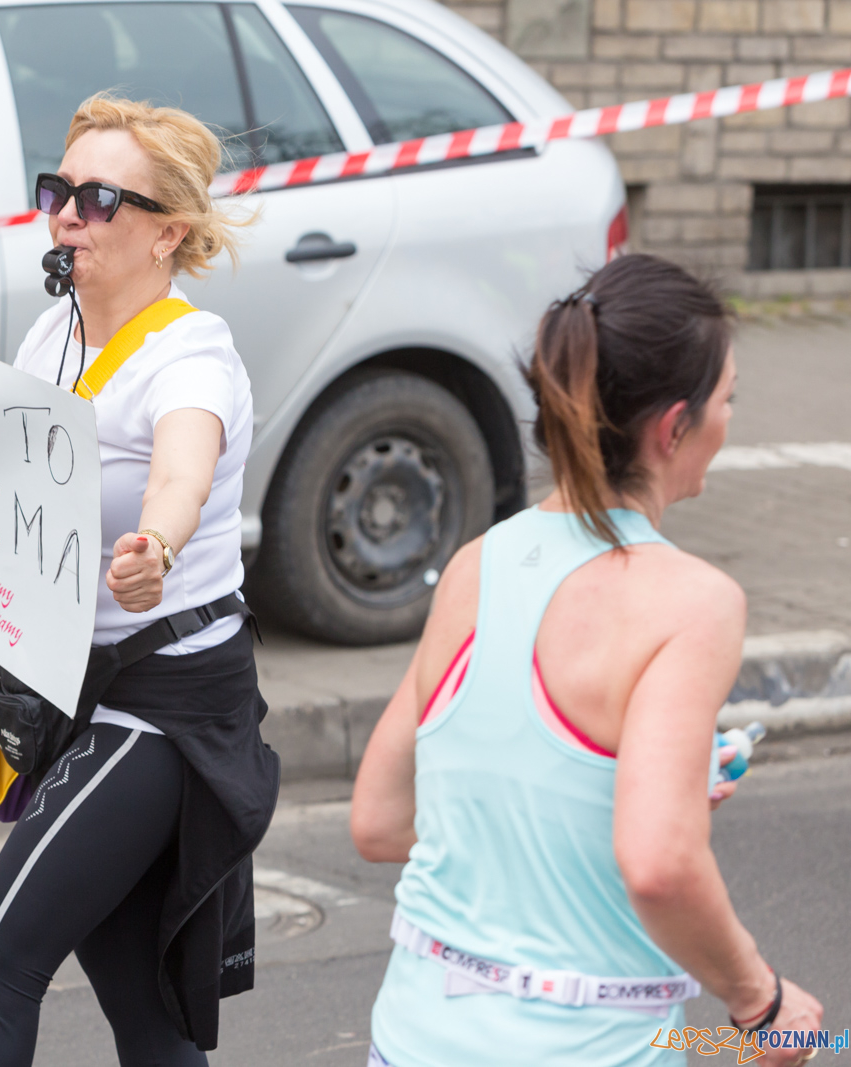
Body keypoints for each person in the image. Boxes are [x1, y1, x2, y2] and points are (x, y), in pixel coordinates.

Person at [349, 253, 824, 1066]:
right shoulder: (694, 602)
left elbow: (381, 820)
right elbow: (661, 863)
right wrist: (761, 1000)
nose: (729, 418)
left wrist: (595, 799)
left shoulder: (476, 565)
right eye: (728, 399)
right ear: (674, 427)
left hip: (414, 1037)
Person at [0, 95, 278, 1067]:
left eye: (100, 198)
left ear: (170, 232)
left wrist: (154, 545)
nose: (68, 213)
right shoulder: (51, 335)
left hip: (165, 707)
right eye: (59, 190)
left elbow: (180, 470)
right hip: (74, 687)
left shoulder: (190, 355)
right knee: (141, 1007)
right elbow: (16, 478)